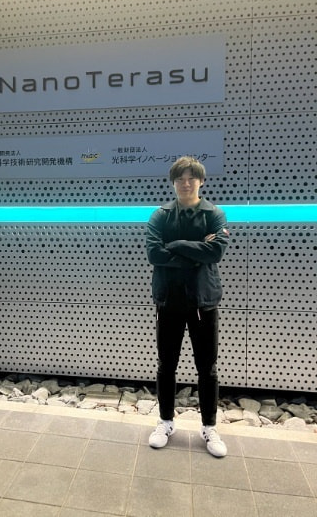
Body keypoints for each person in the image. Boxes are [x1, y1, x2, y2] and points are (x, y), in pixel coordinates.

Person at [146, 156, 229, 457]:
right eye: (180, 178)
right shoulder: (160, 215)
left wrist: (177, 245)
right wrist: (197, 252)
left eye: (191, 177)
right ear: (173, 182)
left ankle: (209, 426)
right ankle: (165, 422)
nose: (185, 183)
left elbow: (215, 252)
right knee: (166, 365)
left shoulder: (214, 214)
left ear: (201, 181)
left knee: (207, 368)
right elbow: (154, 254)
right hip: (168, 300)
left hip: (203, 302)